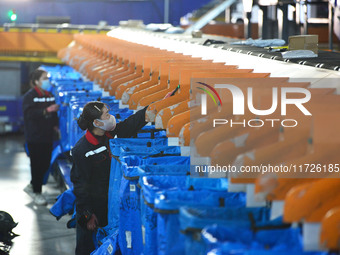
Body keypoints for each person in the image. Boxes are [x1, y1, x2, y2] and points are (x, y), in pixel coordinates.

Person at [71, 101, 151, 255]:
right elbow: (80, 185)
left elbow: (131, 124)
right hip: (92, 208)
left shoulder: (111, 136)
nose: (111, 117)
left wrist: (151, 109)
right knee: (87, 247)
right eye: (107, 114)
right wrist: (87, 214)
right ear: (97, 122)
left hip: (109, 203)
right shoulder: (82, 150)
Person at [22, 69, 59, 206]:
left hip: (47, 136)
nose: (46, 81)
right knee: (36, 165)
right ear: (36, 81)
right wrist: (46, 110)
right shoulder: (30, 96)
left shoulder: (49, 95)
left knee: (45, 163)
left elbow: (54, 115)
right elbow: (29, 114)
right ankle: (37, 192)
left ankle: (33, 185)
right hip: (35, 137)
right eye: (44, 78)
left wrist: (56, 126)